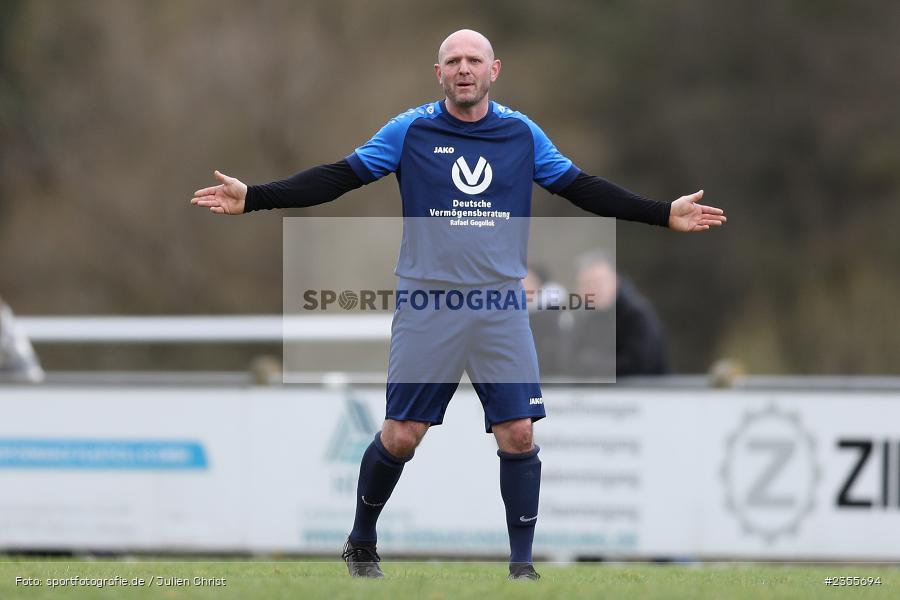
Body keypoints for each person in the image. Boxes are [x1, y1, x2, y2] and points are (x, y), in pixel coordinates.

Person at [190, 29, 726, 580]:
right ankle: (361, 539)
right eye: (453, 61)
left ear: (495, 70)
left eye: (474, 60)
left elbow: (582, 186)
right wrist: (255, 196)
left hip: (500, 307)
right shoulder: (411, 130)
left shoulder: (522, 134)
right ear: (439, 73)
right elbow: (338, 177)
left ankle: (522, 569)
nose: (464, 68)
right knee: (401, 436)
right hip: (429, 305)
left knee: (519, 432)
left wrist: (663, 213)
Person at [568, 252, 669, 378]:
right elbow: (569, 361)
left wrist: (594, 365)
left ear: (615, 281)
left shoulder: (636, 315)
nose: (593, 289)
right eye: (586, 284)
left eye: (598, 282)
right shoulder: (580, 318)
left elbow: (640, 365)